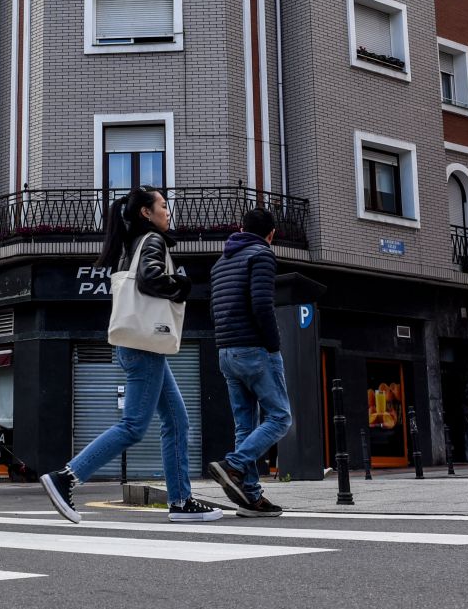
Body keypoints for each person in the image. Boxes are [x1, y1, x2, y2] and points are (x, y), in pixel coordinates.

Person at [39, 186, 223, 524]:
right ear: (146, 213)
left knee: (177, 421)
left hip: (141, 347)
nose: (168, 212)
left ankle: (181, 501)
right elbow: (151, 279)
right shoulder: (151, 241)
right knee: (134, 426)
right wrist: (182, 287)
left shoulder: (134, 243)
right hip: (144, 348)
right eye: (163, 206)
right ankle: (66, 477)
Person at [206, 207, 290, 517]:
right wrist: (273, 346)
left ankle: (252, 497)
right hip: (254, 350)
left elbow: (214, 309)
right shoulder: (262, 255)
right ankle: (234, 465)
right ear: (271, 235)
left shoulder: (221, 262)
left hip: (226, 351)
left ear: (241, 228)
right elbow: (262, 304)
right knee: (280, 417)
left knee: (245, 427)